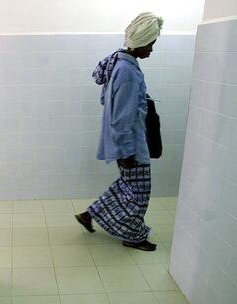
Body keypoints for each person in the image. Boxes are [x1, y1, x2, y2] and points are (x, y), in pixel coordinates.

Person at [75, 12, 164, 251]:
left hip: (128, 141)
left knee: (127, 185)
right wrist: (127, 151)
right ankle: (132, 236)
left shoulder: (119, 63)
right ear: (140, 42)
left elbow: (111, 101)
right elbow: (121, 116)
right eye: (151, 44)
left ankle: (89, 214)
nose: (152, 50)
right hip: (131, 144)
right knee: (139, 193)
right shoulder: (127, 71)